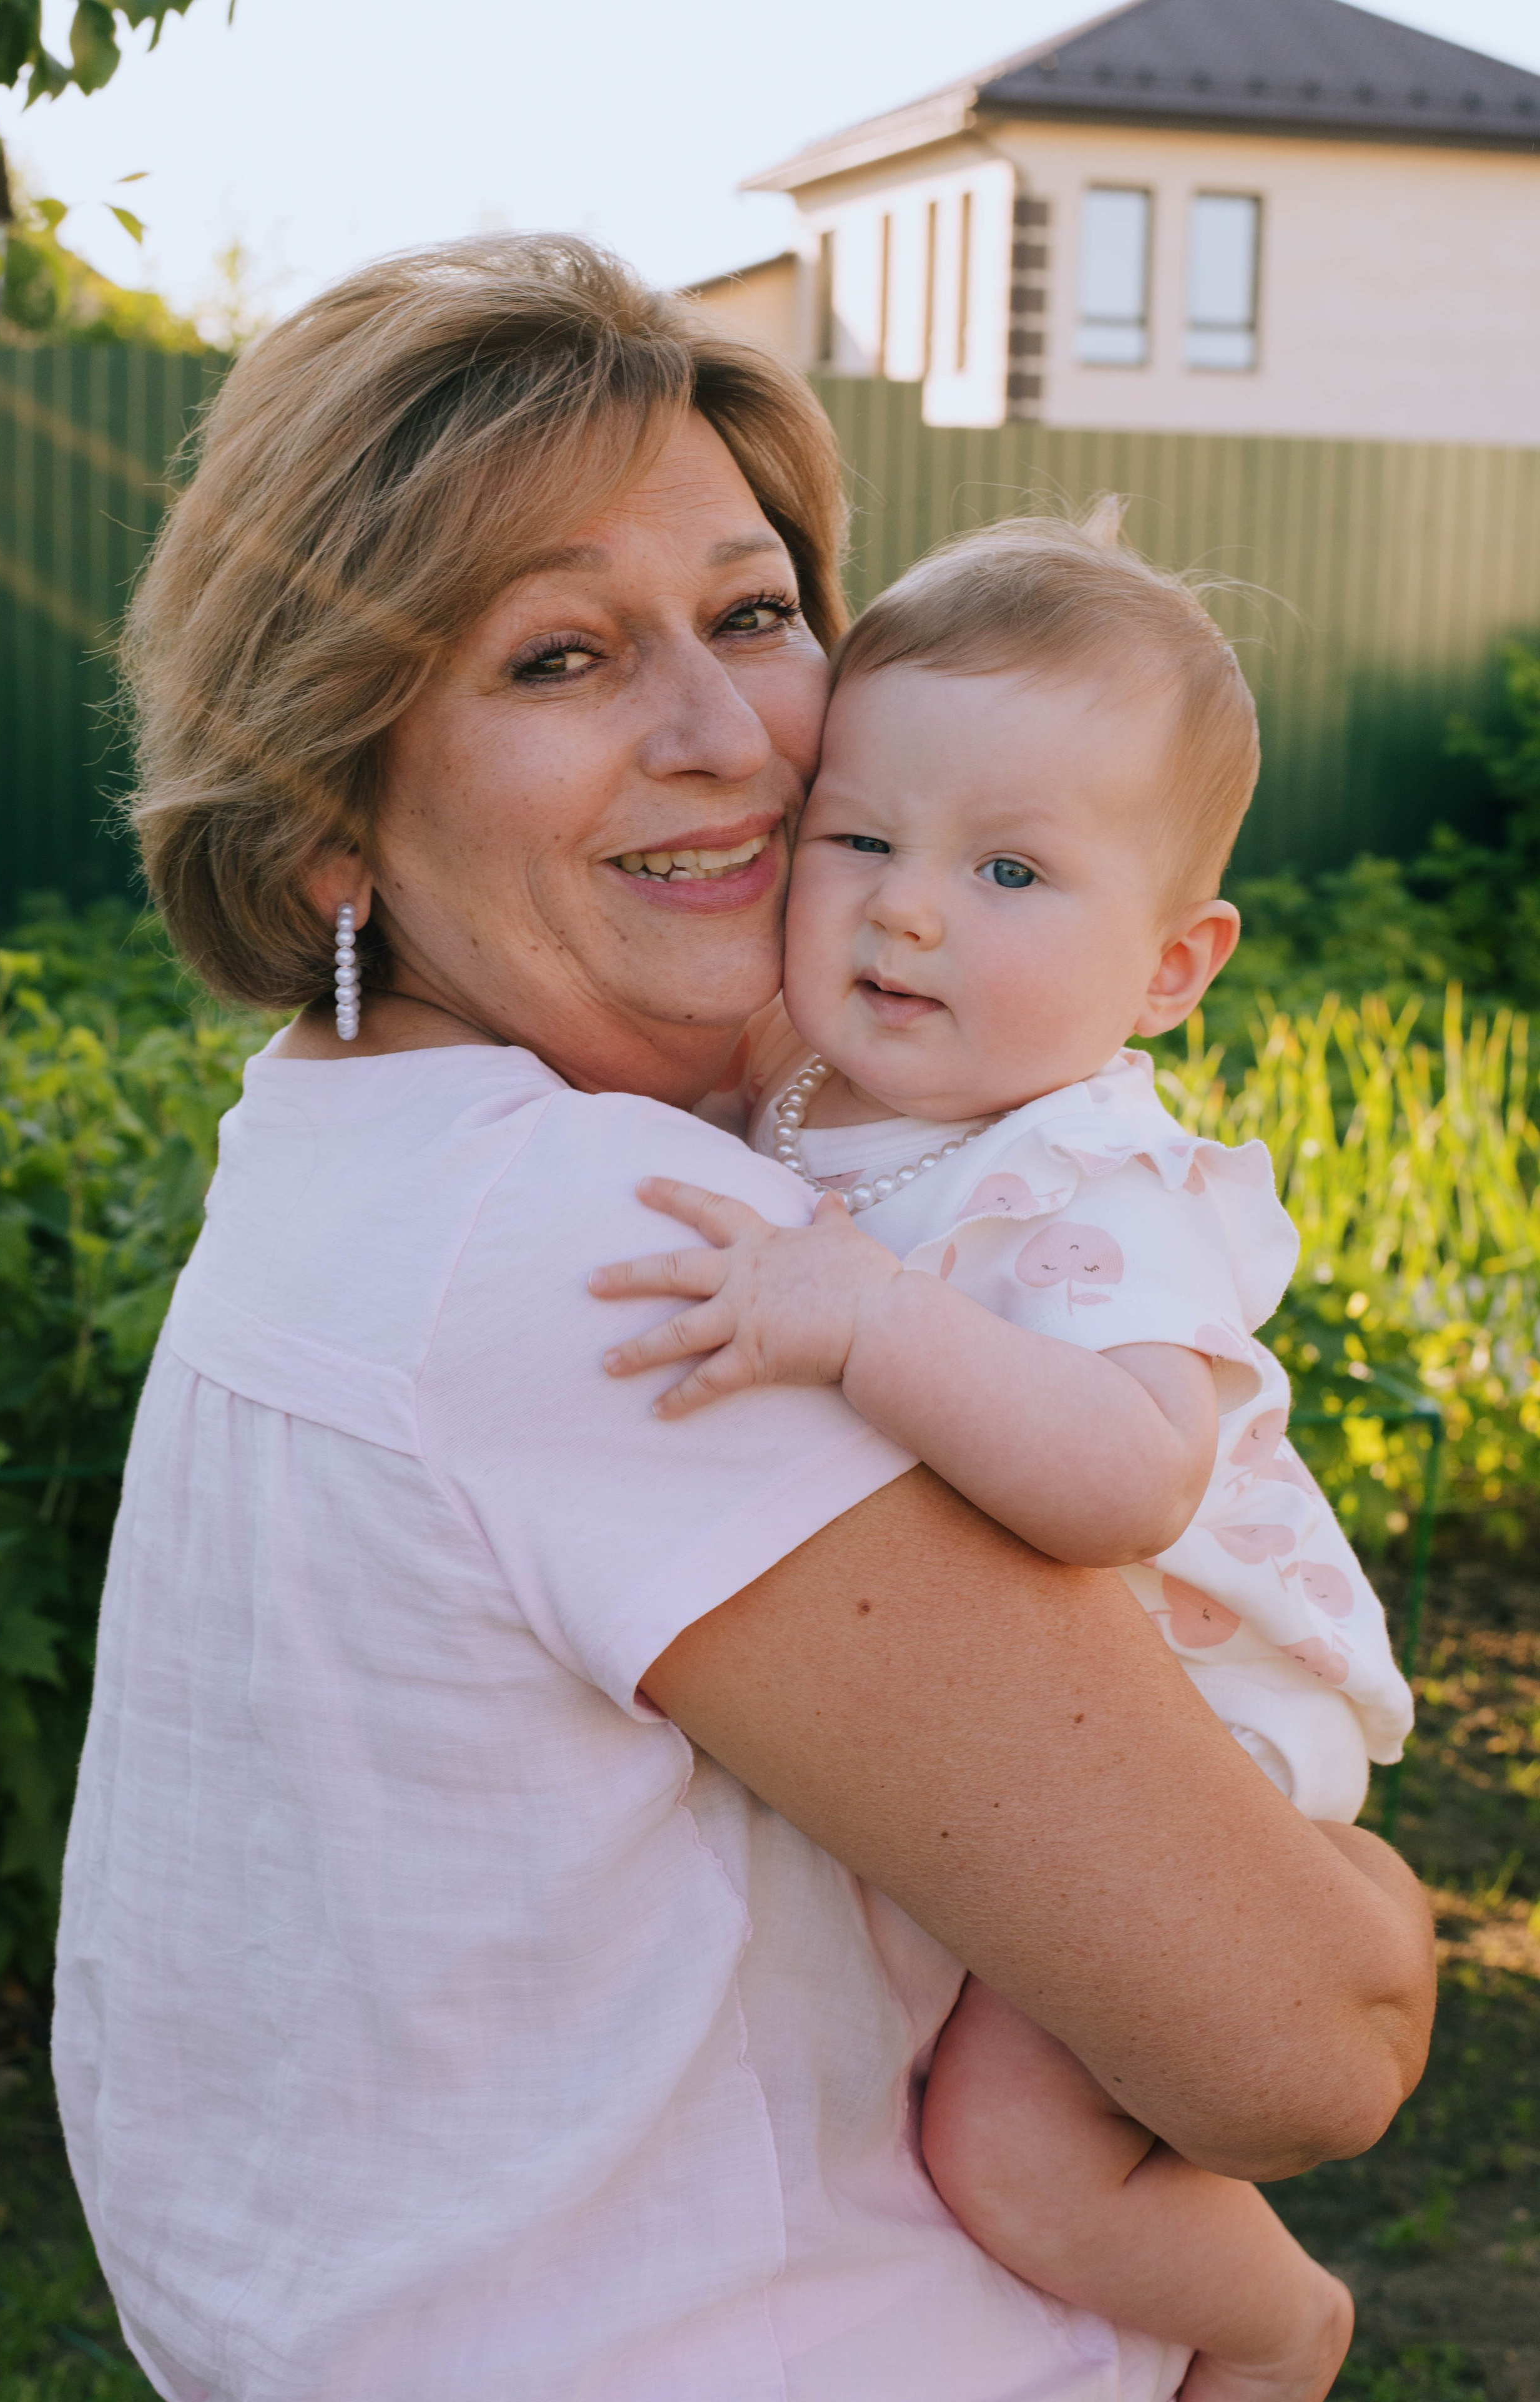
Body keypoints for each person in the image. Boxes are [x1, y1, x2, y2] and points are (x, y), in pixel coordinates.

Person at [51, 237, 1435, 2402]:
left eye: (758, 616)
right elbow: (1304, 2047)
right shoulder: (617, 1242)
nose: (730, 742)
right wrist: (1371, 1919)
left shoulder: (342, 1151)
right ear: (330, 826)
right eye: (560, 658)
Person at [591, 512, 1418, 2402]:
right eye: (860, 840)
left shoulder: (1093, 1179)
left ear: (1172, 969)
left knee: (1008, 2149)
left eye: (1012, 871)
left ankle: (1277, 2327)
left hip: (1209, 1714)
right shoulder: (815, 1083)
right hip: (1032, 1701)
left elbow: (1134, 1480)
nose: (908, 913)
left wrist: (869, 1322)